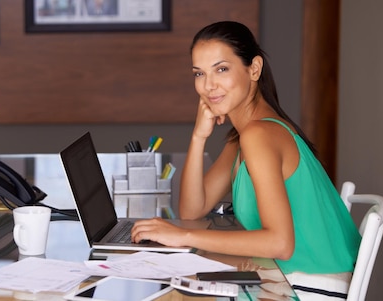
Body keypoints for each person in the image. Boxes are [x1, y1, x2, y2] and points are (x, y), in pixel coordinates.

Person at [130, 21, 361, 300]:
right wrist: (198, 137)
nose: (208, 85)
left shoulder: (259, 135)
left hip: (305, 285)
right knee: (182, 283)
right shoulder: (245, 136)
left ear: (254, 69)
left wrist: (183, 237)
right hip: (284, 274)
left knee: (175, 288)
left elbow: (280, 243)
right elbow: (192, 211)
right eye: (199, 73)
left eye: (222, 69)